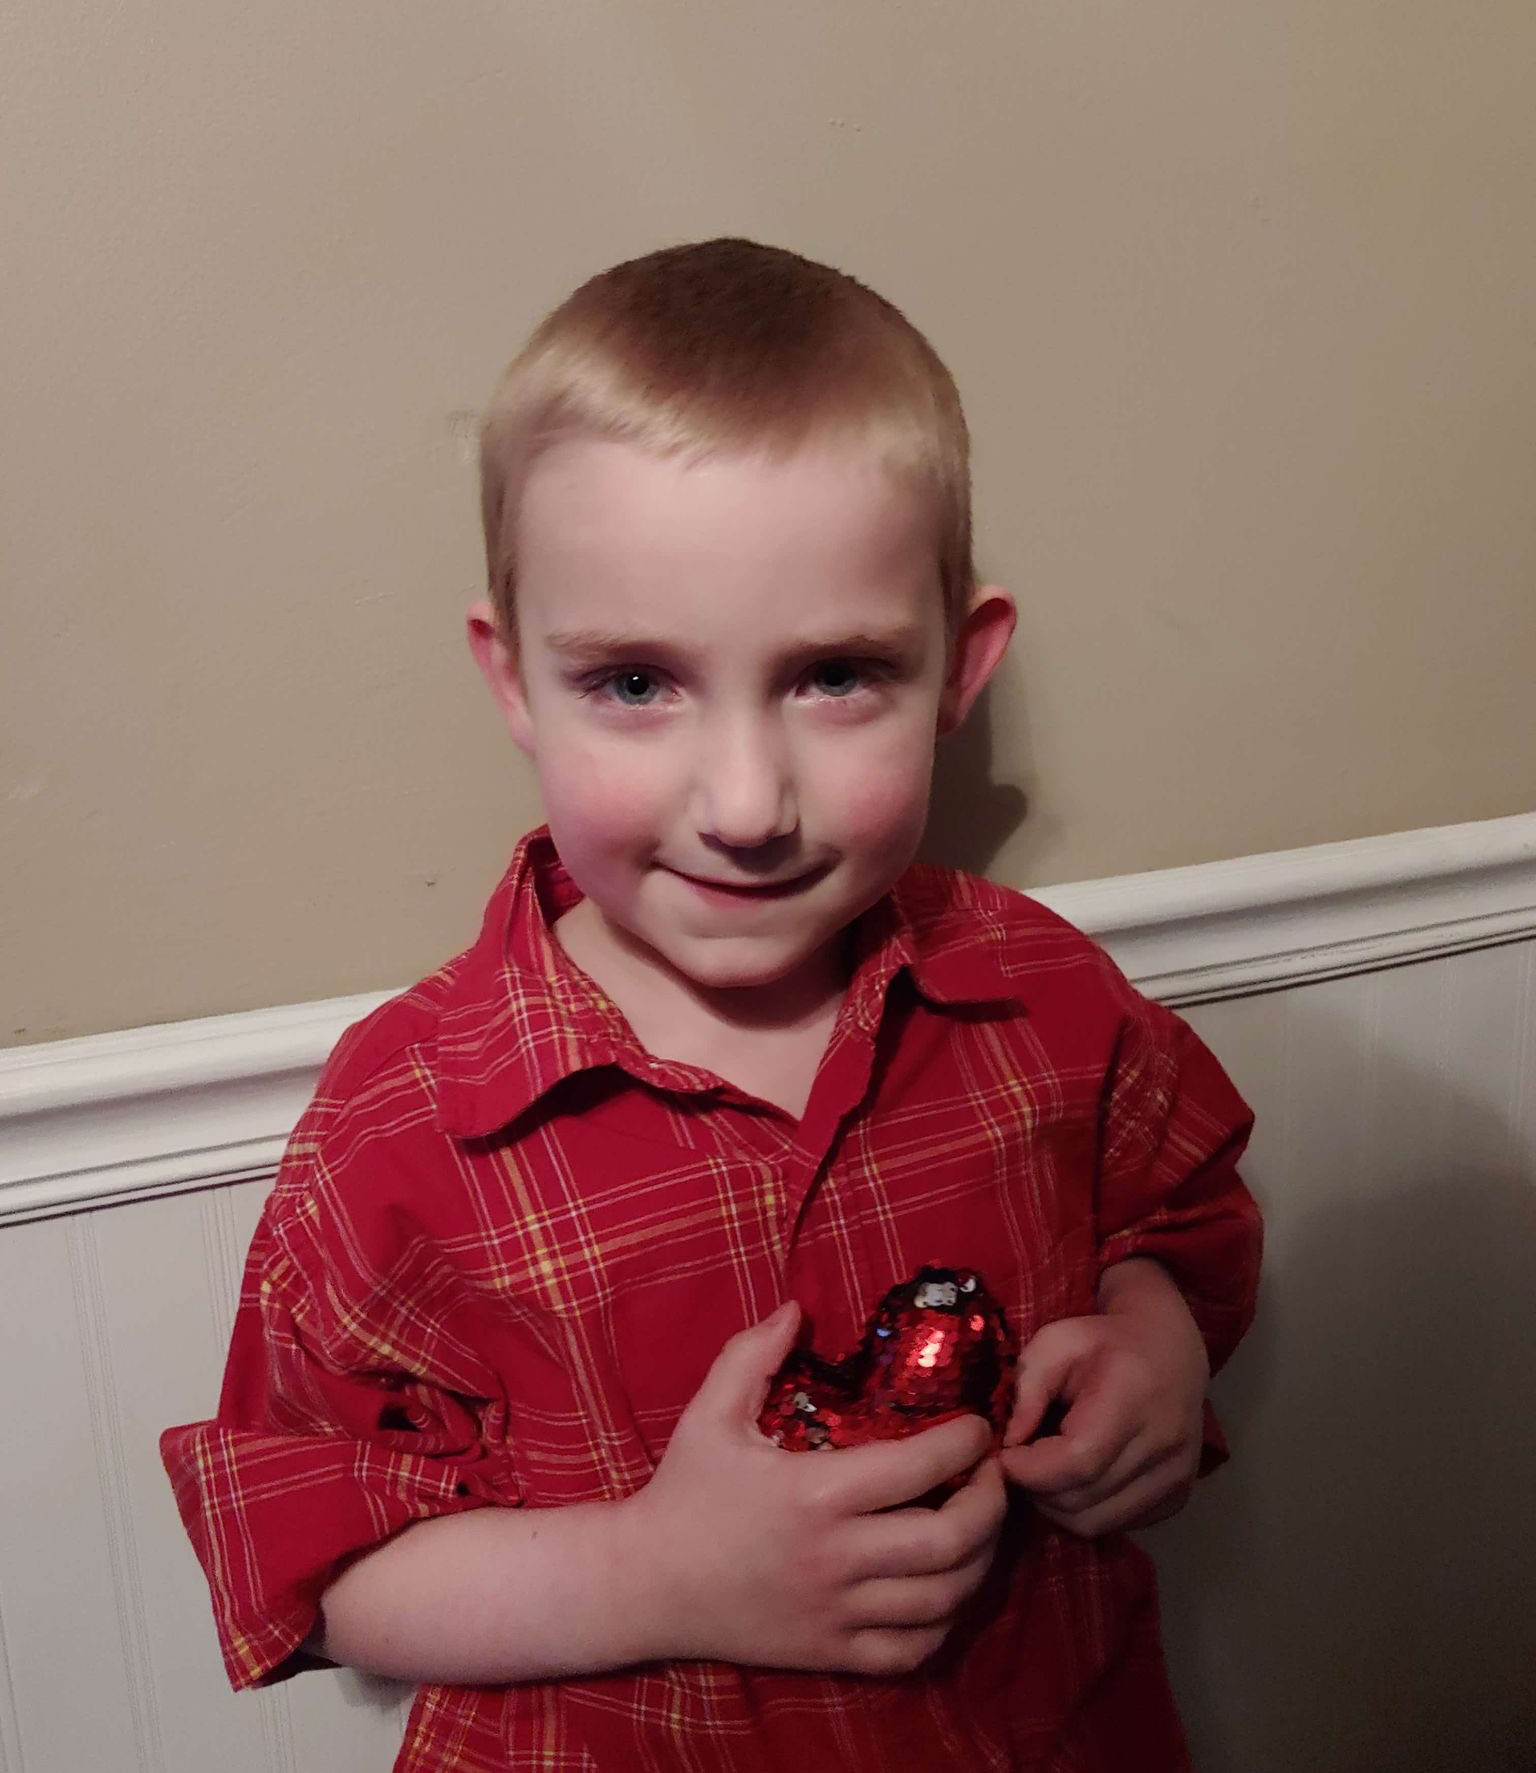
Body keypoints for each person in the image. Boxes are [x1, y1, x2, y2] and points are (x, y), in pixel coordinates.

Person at [162, 237, 1261, 1772]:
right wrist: (661, 1572)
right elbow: (315, 1566)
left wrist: (1154, 1344)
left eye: (833, 674)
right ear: (513, 680)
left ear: (962, 665)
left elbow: (1176, 1219)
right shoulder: (405, 1116)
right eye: (631, 682)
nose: (745, 802)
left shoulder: (1045, 993)